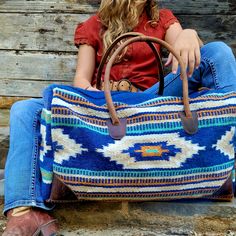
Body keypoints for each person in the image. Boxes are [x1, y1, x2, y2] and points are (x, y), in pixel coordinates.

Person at [3, 0, 236, 235]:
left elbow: (186, 56)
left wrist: (188, 33)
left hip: (152, 101)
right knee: (24, 109)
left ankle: (228, 159)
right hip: (104, 106)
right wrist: (94, 99)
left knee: (218, 52)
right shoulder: (93, 26)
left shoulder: (163, 20)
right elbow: (81, 81)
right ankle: (24, 211)